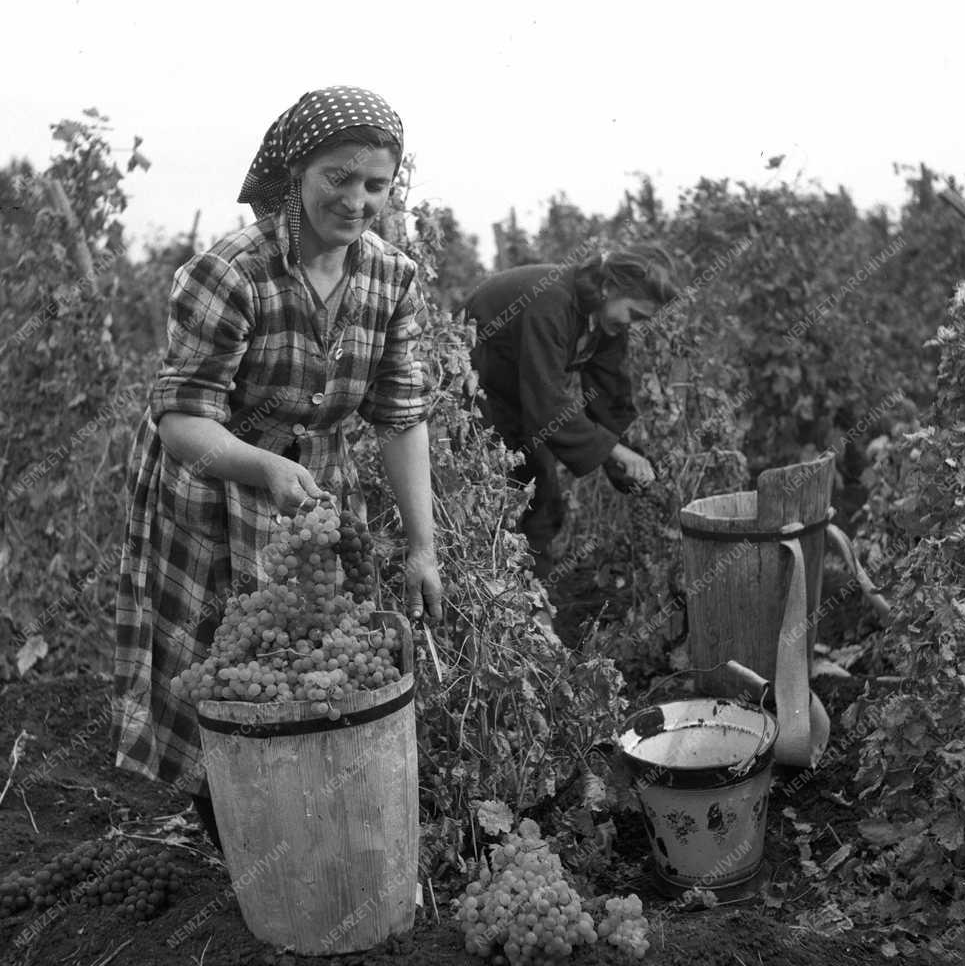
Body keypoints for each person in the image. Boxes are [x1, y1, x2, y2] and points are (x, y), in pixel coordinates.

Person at [111, 86, 442, 851]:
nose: (356, 200)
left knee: (314, 655)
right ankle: (243, 844)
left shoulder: (392, 278)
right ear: (295, 173)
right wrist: (259, 464)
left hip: (312, 489)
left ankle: (305, 835)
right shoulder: (231, 271)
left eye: (376, 185)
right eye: (338, 177)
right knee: (223, 666)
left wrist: (423, 547)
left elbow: (400, 415)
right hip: (213, 479)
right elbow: (182, 416)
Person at [463, 246, 676, 578]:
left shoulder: (606, 322)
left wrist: (636, 466)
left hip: (519, 386)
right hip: (479, 377)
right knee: (504, 490)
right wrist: (614, 451)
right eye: (633, 314)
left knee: (542, 498)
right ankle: (498, 592)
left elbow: (611, 397)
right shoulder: (552, 302)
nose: (632, 325)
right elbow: (546, 404)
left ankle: (531, 597)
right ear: (608, 289)